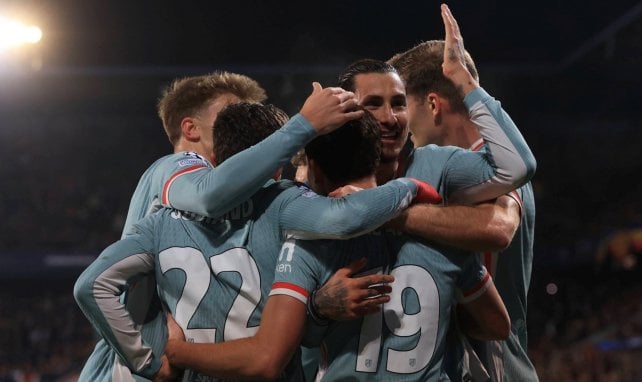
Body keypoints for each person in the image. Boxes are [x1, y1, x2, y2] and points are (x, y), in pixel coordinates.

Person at [74, 102, 440, 381]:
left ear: (217, 159)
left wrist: (146, 359)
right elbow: (345, 217)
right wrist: (409, 186)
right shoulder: (284, 203)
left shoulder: (158, 222)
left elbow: (91, 286)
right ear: (275, 164)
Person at [162, 98, 511, 381]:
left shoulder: (305, 243)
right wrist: (437, 316)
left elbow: (275, 351)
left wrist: (317, 309)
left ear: (312, 167)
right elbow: (495, 325)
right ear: (377, 157)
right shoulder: (444, 238)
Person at [388, 4, 538, 381]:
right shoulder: (463, 170)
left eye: (405, 106)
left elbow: (498, 228)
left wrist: (391, 212)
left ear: (434, 105)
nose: (402, 124)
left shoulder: (490, 170)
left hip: (493, 365)